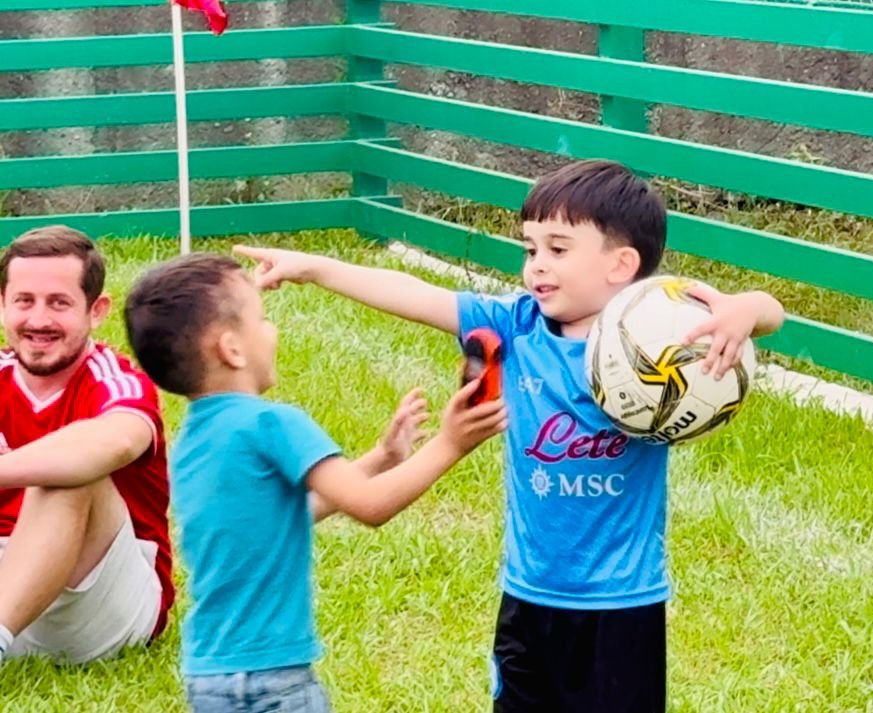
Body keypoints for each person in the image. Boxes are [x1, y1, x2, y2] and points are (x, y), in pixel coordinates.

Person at [233, 159, 785, 712]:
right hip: (527, 595)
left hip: (623, 605)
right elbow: (417, 295)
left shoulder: (662, 340)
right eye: (530, 248)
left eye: (558, 249)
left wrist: (746, 309)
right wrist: (316, 268)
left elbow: (767, 314)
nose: (537, 264)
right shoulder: (517, 325)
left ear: (622, 264)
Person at [123, 253, 507, 712]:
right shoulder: (272, 423)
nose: (272, 331)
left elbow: (276, 520)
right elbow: (371, 507)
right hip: (275, 681)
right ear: (232, 349)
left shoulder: (193, 439)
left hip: (209, 676)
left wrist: (381, 458)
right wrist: (451, 443)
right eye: (262, 320)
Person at [0, 225, 173, 666]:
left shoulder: (116, 381)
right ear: (2, 305)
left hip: (98, 605)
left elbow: (117, 442)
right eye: (24, 301)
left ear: (96, 311)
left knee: (70, 471)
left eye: (59, 303)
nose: (38, 320)